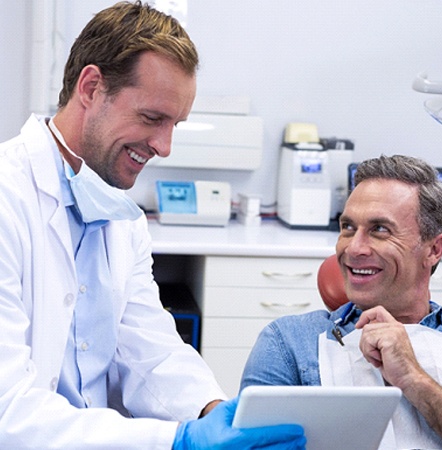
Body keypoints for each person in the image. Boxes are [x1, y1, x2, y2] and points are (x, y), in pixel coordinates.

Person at [0, 2, 306, 449]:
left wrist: (213, 412)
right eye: (152, 118)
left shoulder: (120, 218)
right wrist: (178, 440)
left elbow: (148, 346)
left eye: (175, 125)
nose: (163, 147)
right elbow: (9, 413)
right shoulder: (8, 198)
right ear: (90, 87)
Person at [241, 154, 442, 449]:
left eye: (380, 229)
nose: (354, 248)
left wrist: (414, 378)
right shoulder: (288, 342)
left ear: (434, 249)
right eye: (347, 227)